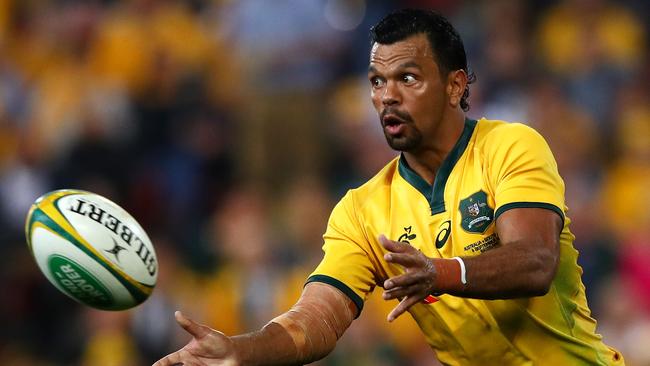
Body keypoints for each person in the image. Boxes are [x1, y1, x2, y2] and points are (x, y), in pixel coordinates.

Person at [154, 9, 624, 365]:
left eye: (408, 78)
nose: (387, 96)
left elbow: (536, 262)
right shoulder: (362, 209)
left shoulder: (510, 145)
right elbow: (315, 318)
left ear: (456, 85)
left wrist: (439, 273)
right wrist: (240, 351)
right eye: (377, 81)